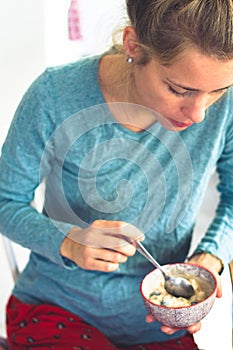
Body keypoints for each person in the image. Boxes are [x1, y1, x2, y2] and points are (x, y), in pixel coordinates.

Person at [0, 0, 233, 349]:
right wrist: (67, 242)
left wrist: (210, 258)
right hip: (56, 308)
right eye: (180, 90)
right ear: (134, 46)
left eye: (218, 91)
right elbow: (6, 200)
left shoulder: (223, 108)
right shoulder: (54, 96)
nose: (199, 114)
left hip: (160, 323)